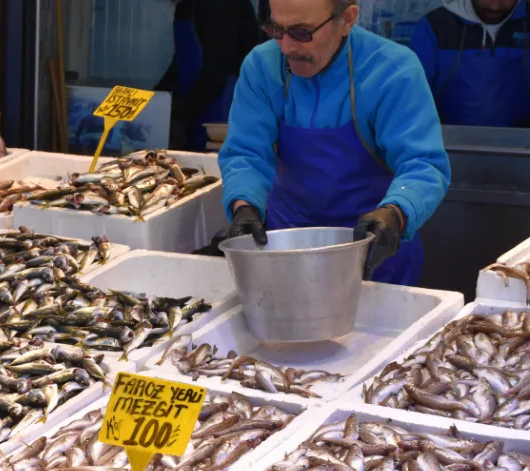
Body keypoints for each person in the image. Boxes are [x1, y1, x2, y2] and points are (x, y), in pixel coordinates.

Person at [220, 0, 452, 285]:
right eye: (276, 29)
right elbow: (246, 152)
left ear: (347, 19)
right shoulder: (262, 66)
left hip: (374, 251)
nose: (286, 48)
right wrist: (245, 204)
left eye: (302, 32)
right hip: (286, 247)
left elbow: (423, 164)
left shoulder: (393, 70)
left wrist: (397, 212)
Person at [155, 0, 259, 151]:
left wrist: (179, 112)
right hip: (197, 106)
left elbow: (217, 71)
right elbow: (182, 61)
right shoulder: (186, 6)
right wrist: (152, 99)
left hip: (225, 110)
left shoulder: (221, 5)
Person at [409, 0, 529, 127]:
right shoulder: (434, 27)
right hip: (447, 141)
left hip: (523, 143)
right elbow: (412, 99)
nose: (495, 7)